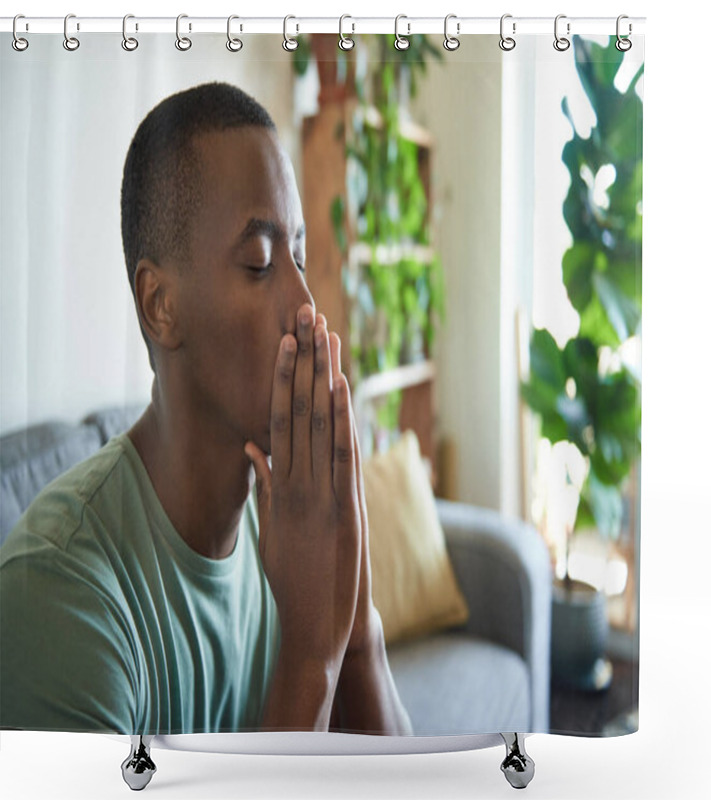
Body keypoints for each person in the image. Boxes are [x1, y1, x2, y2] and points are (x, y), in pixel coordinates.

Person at [0, 82, 412, 736]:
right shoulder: (59, 593)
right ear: (161, 306)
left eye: (299, 256)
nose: (306, 304)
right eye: (260, 262)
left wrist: (355, 630)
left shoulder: (291, 519)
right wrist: (311, 656)